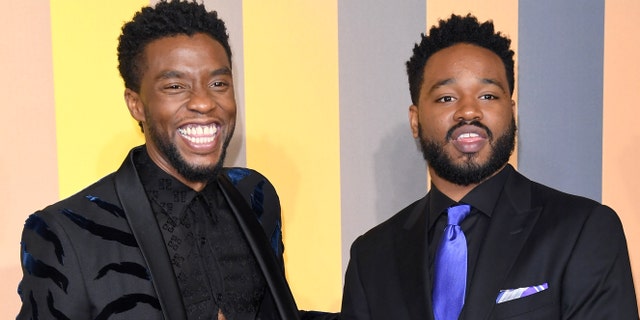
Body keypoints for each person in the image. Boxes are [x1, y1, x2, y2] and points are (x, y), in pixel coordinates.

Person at [17, 1, 338, 319]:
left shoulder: (255, 196)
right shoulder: (68, 232)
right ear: (136, 104)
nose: (203, 102)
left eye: (218, 84)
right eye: (175, 86)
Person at [341, 14, 638, 320]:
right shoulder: (371, 257)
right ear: (415, 120)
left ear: (510, 112)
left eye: (488, 96)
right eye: (446, 97)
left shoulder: (582, 230)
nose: (468, 110)